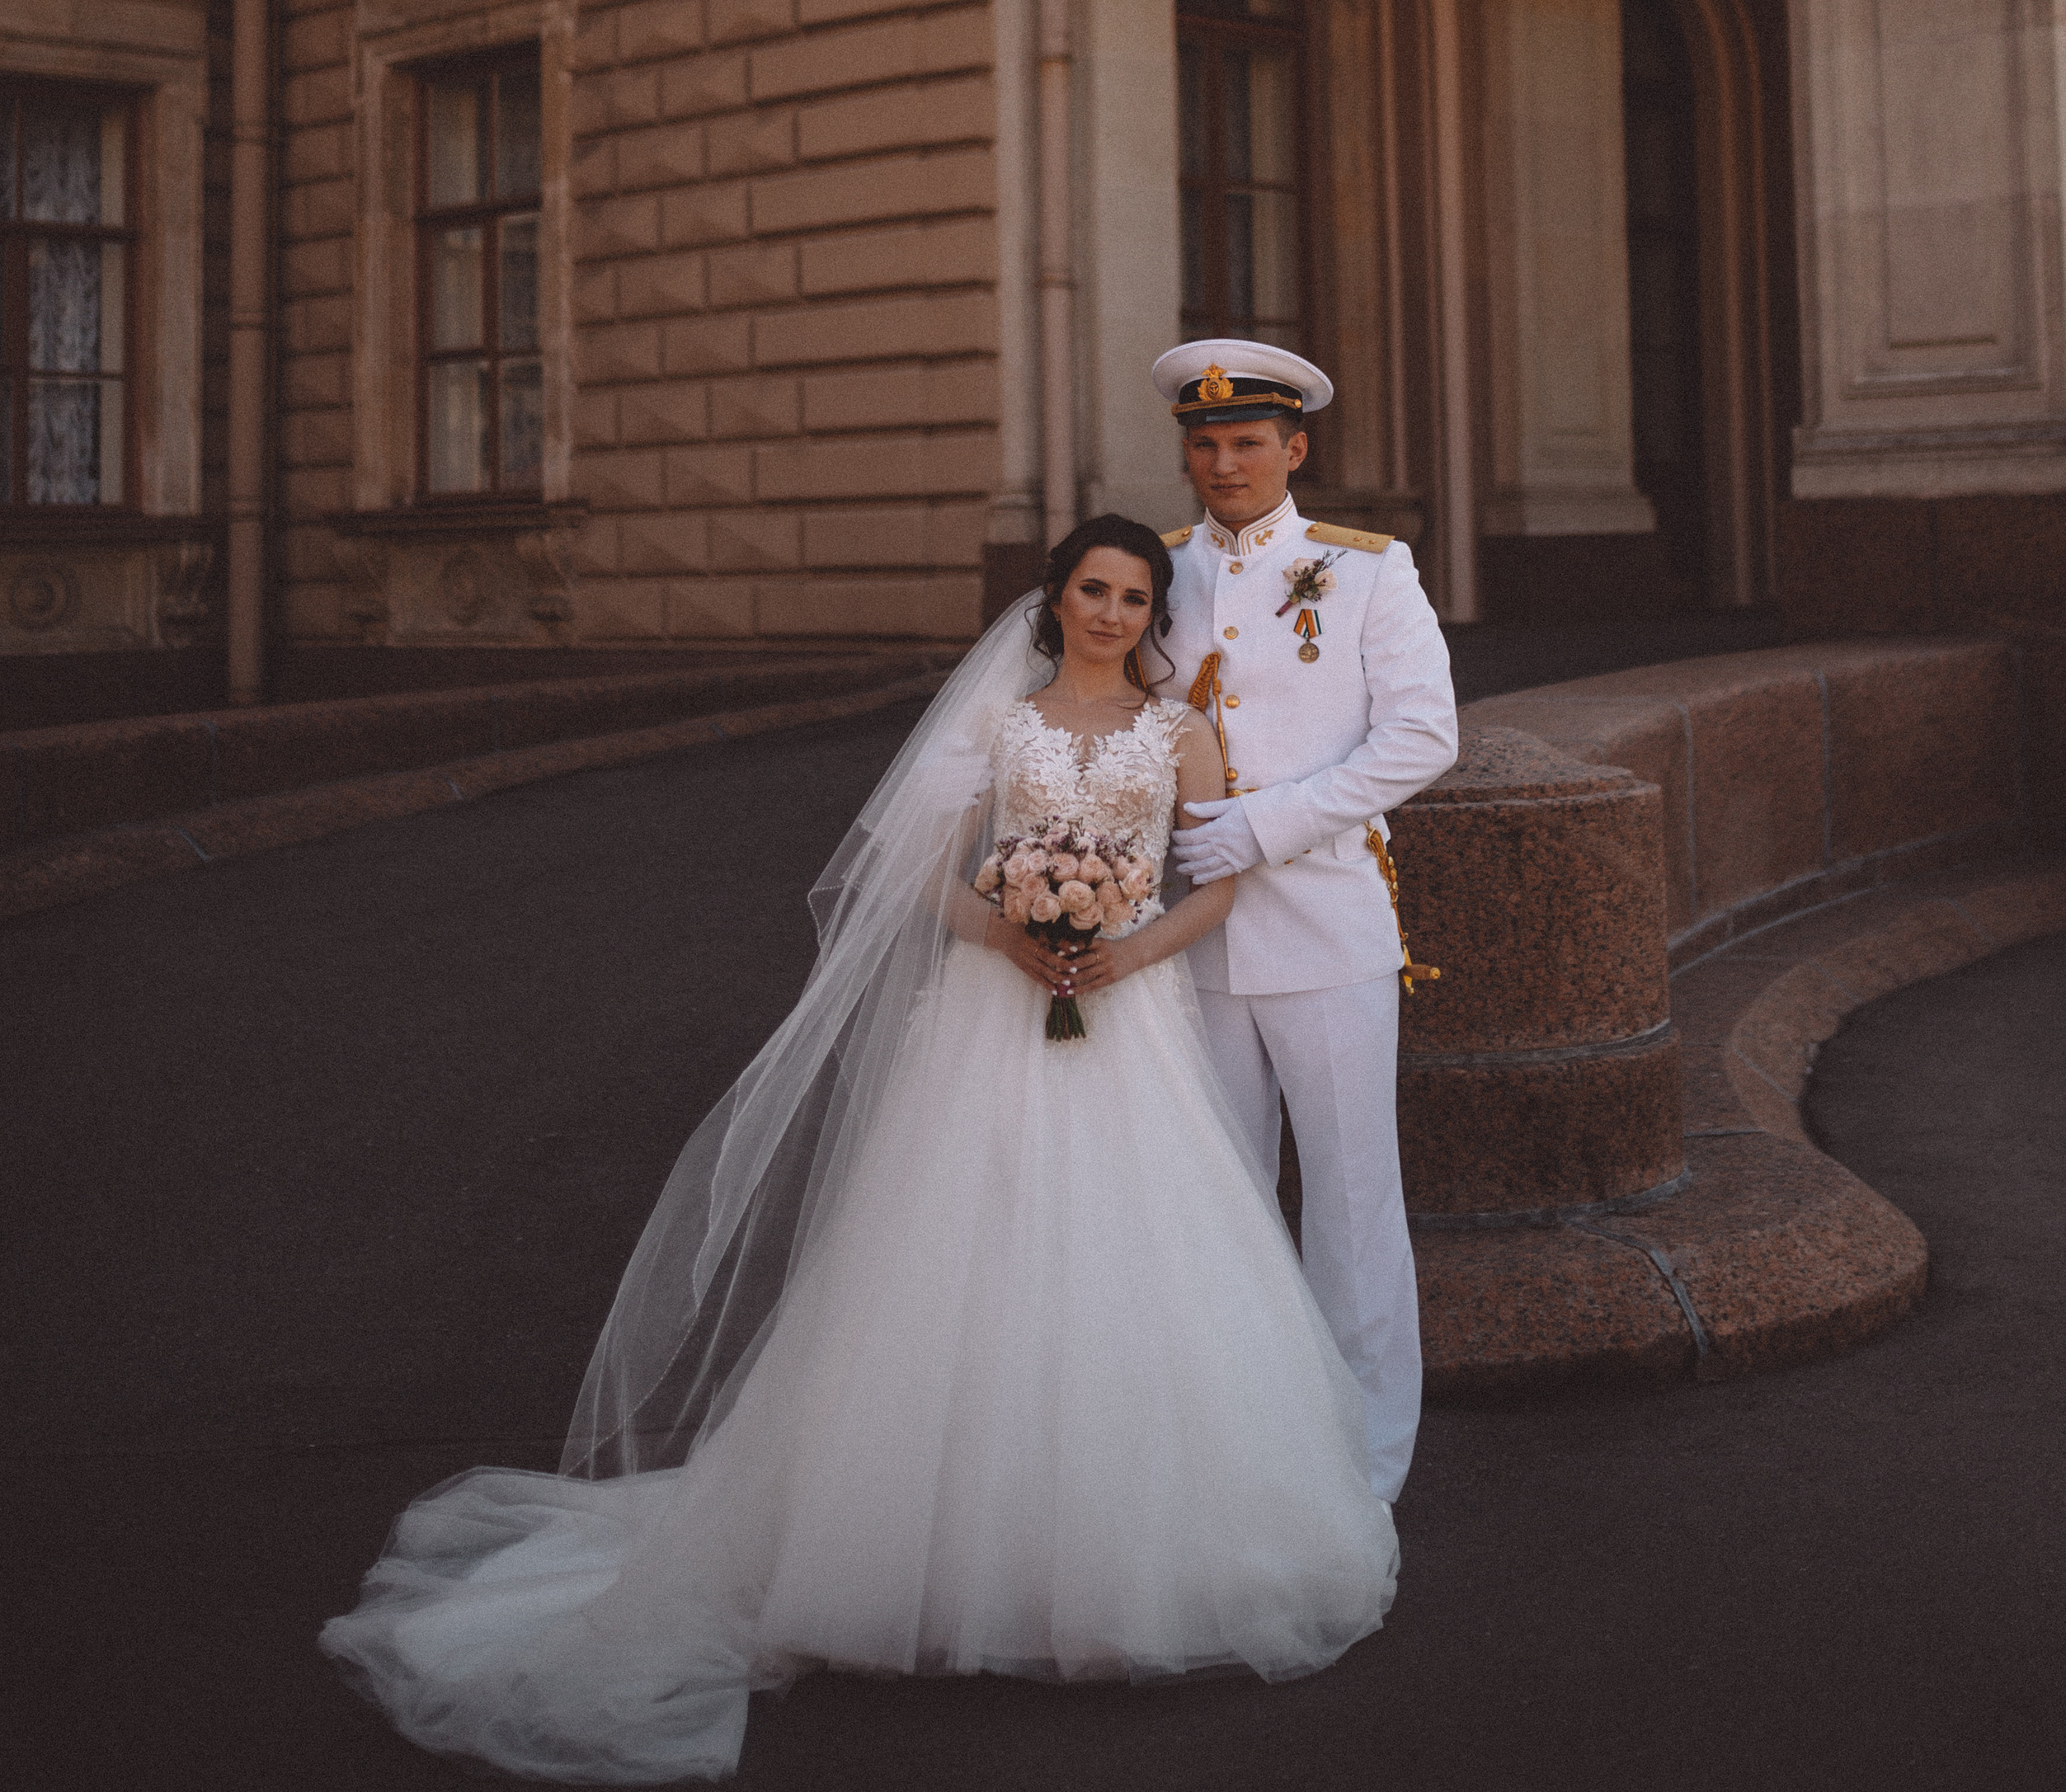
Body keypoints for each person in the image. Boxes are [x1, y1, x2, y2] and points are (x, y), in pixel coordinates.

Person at [321, 512, 1397, 1785]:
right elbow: (923, 875)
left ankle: (1126, 1554)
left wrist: (1126, 948)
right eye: (1093, 589)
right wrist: (1005, 930)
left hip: (1134, 1013)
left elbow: (1213, 883)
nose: (1112, 611)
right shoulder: (998, 725)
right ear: (1053, 600)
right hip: (995, 1015)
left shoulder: (1183, 732)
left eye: (1134, 596)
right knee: (958, 1259)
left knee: (1138, 1264)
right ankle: (918, 1555)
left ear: (1152, 615)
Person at [1158, 340, 1458, 1503]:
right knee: (1222, 1197)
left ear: (1296, 448)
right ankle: (1246, 1442)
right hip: (1188, 935)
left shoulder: (1370, 571)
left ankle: (1368, 1461)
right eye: (1204, 442)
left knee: (1347, 1200)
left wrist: (1268, 824)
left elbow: (1423, 736)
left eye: (1246, 442)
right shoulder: (1159, 571)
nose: (1223, 462)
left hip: (1326, 927)